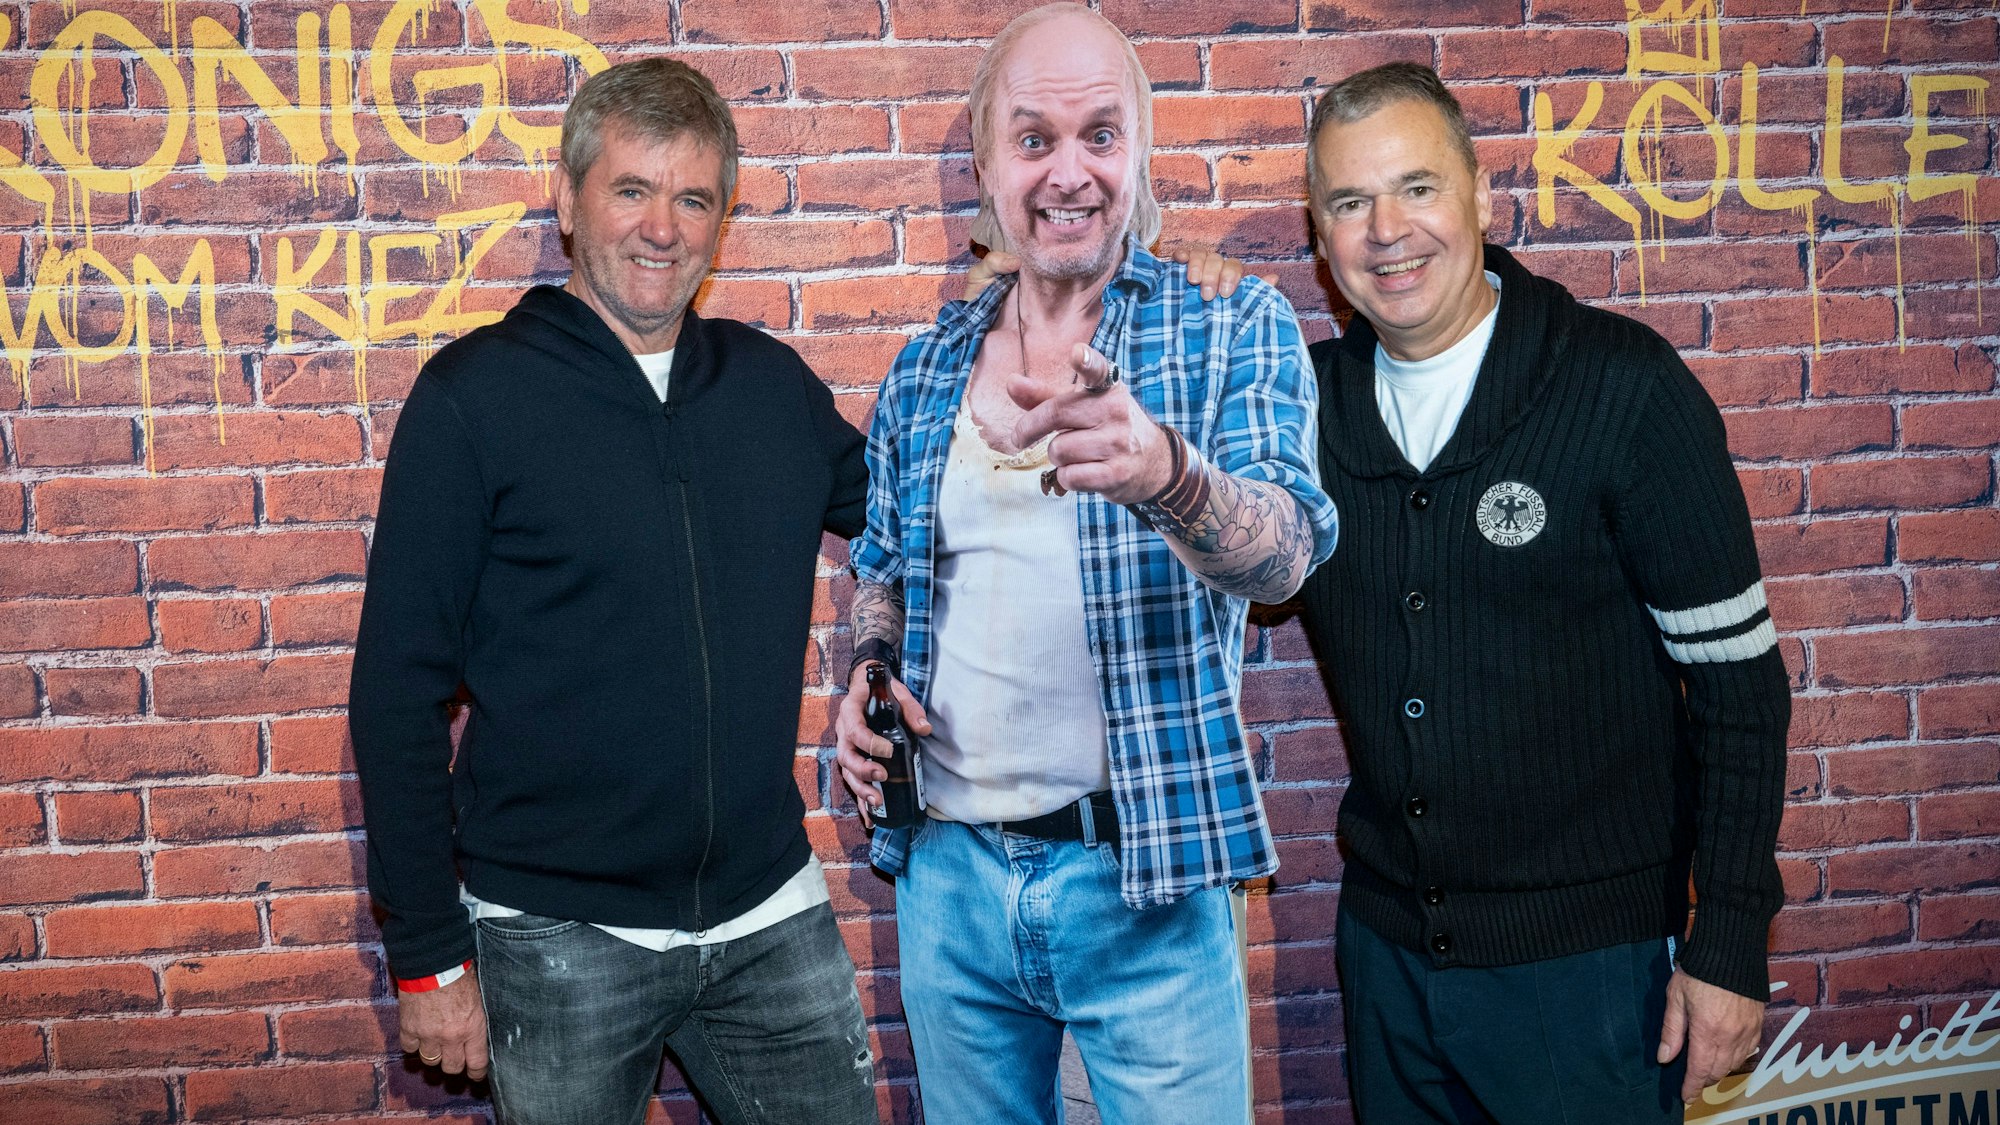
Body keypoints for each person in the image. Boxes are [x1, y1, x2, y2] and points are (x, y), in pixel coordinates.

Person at [348, 59, 878, 1125]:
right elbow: (395, 694)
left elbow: (914, 511)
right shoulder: (472, 398)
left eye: (692, 199)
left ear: (721, 220)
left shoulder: (770, 389)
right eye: (630, 190)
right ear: (567, 200)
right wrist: (427, 960)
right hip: (555, 936)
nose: (660, 228)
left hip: (767, 913)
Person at [832, 6, 1338, 1122]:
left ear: (1139, 150)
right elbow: (880, 566)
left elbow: (1288, 556)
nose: (1070, 173)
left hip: (1146, 880)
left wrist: (1166, 473)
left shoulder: (1228, 326)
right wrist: (865, 680)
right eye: (1034, 140)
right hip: (950, 887)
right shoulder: (924, 370)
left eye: (1099, 136)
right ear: (984, 167)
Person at [1296, 62, 1790, 1122]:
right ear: (1319, 236)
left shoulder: (1620, 386)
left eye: (1416, 188)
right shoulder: (1300, 414)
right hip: (1387, 967)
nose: (1386, 230)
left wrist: (1730, 945)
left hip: (1592, 983)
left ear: (1479, 196)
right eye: (1347, 202)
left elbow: (1739, 692)